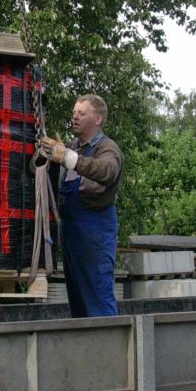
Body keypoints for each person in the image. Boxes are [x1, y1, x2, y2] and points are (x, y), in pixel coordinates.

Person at [39, 94, 124, 317]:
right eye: (74, 113)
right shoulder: (73, 148)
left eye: (82, 113)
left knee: (98, 296)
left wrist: (69, 158)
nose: (75, 117)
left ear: (98, 119)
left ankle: (110, 348)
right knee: (78, 298)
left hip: (95, 233)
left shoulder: (107, 148)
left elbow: (107, 171)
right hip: (72, 232)